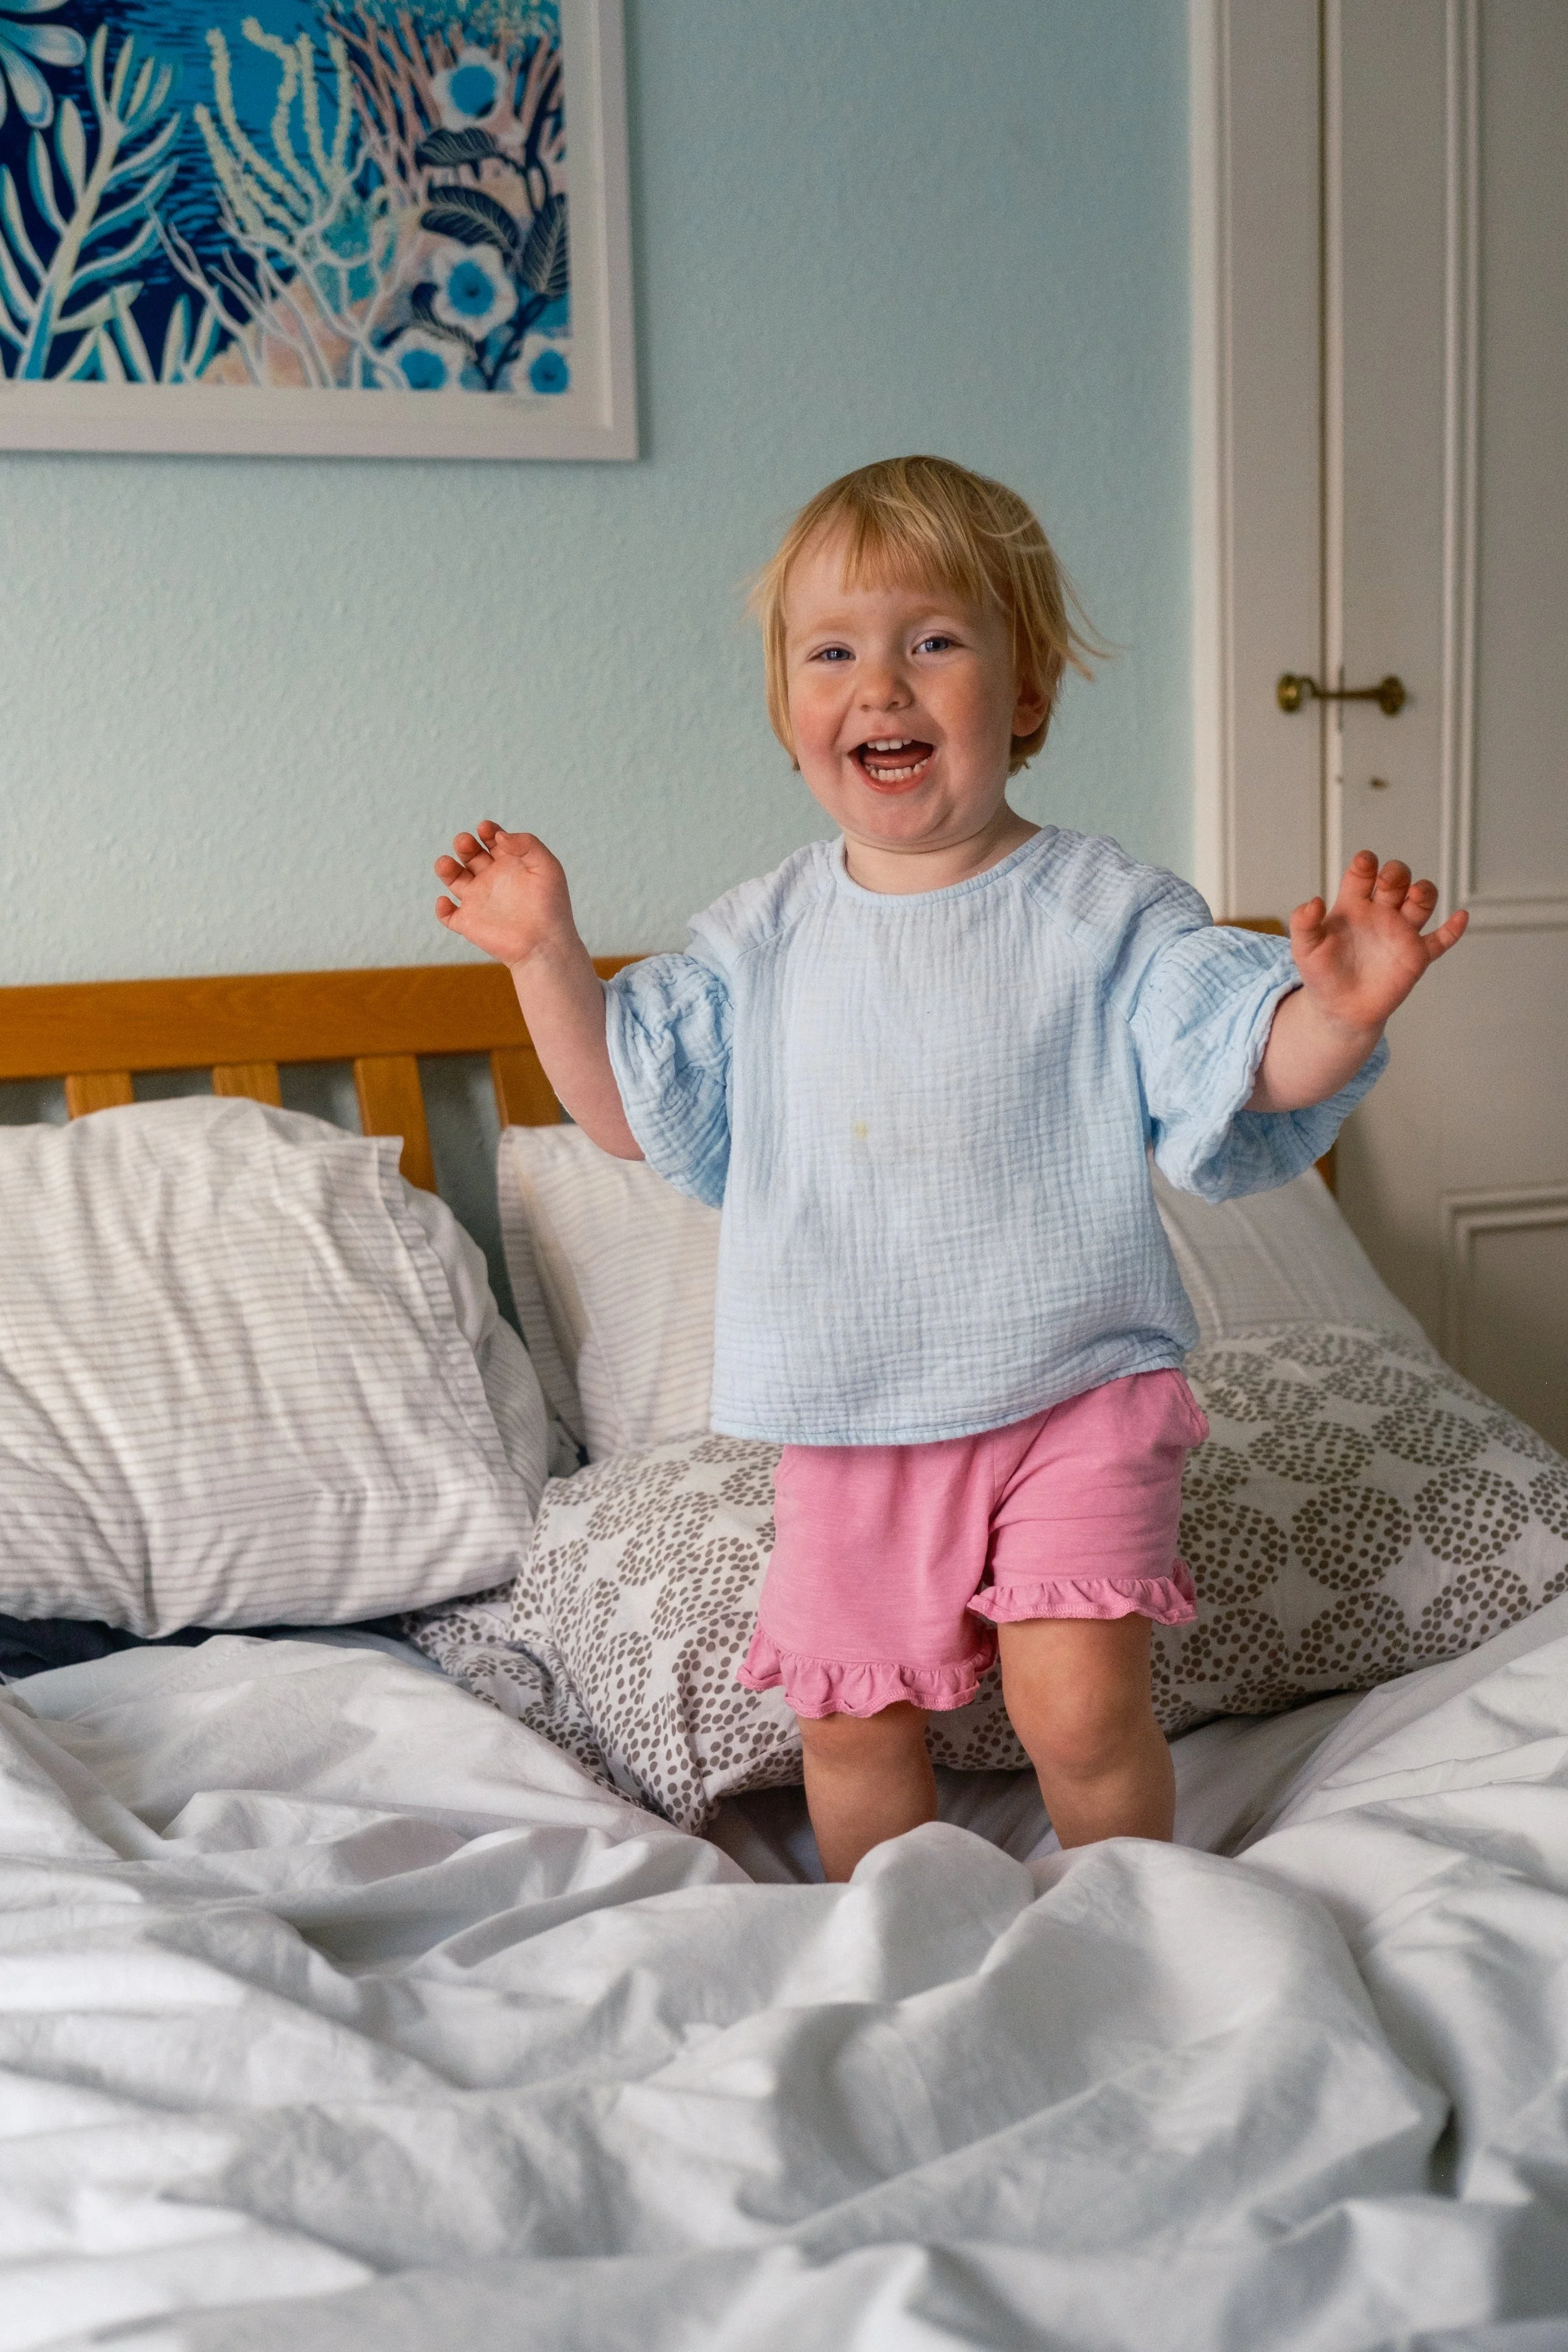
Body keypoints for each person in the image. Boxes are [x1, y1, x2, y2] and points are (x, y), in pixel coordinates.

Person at [433, 455, 1467, 1882]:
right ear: (789, 710)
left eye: (933, 642)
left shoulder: (1101, 909)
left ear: (1025, 693)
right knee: (852, 1735)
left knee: (1077, 1704)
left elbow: (1226, 1062)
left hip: (1075, 1388)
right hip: (852, 1418)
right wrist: (547, 953)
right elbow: (625, 1107)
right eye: (833, 652)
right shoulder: (762, 936)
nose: (882, 686)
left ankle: (1137, 1912)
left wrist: (1334, 1011)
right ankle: (906, 1931)